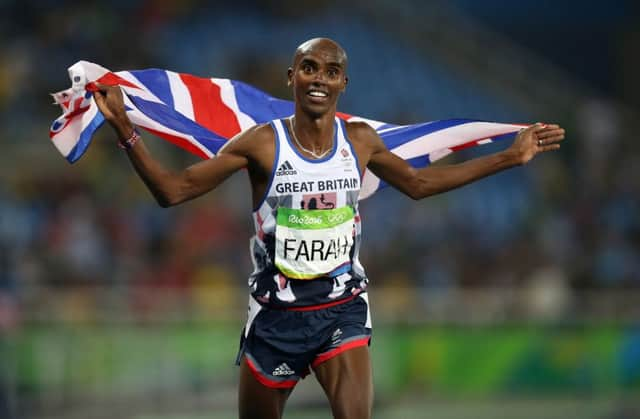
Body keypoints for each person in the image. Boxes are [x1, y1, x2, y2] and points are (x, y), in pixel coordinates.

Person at [93, 37, 565, 419]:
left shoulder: (359, 141)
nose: (319, 78)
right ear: (292, 77)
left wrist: (509, 156)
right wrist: (124, 130)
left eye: (331, 71)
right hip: (275, 318)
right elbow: (173, 192)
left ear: (344, 83)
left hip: (341, 308)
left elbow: (418, 183)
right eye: (309, 68)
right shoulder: (260, 144)